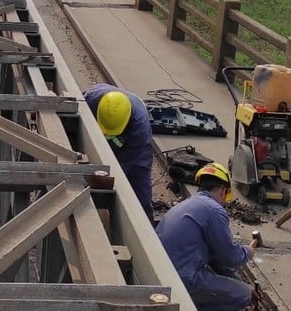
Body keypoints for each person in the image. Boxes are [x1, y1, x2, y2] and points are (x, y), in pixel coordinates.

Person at [155, 162, 257, 311]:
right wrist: (248, 251)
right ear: (223, 190)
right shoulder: (214, 210)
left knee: (239, 288)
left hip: (161, 273)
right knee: (242, 295)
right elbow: (230, 257)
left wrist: (238, 281)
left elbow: (217, 260)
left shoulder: (187, 204)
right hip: (181, 280)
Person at [83, 83, 153, 220]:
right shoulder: (90, 99)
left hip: (135, 148)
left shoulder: (139, 129)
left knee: (139, 191)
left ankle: (146, 226)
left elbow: (121, 168)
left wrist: (103, 183)